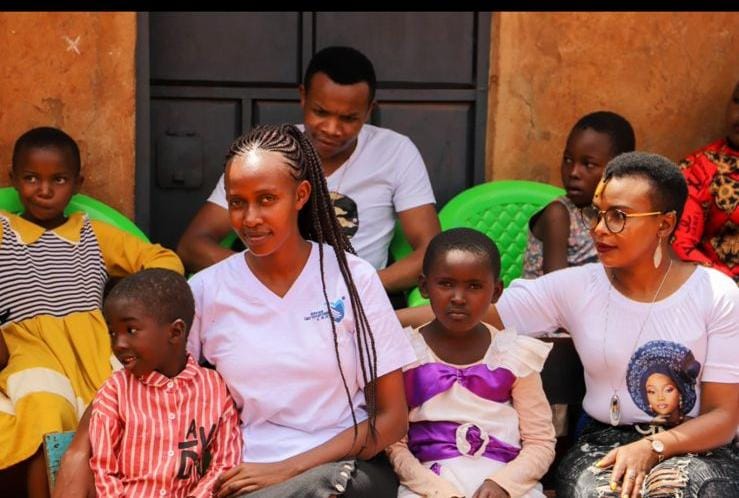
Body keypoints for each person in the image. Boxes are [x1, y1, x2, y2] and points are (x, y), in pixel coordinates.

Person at [53, 124, 416, 498]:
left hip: (344, 467)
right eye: (237, 202)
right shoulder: (207, 290)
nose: (250, 218)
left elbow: (391, 419)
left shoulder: (352, 279)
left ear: (301, 195)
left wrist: (287, 469)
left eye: (267, 199)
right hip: (244, 472)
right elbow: (137, 380)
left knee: (329, 488)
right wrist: (81, 448)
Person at [399, 152, 739, 497]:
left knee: (676, 490)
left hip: (696, 444)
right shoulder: (576, 287)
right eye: (597, 213)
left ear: (664, 225)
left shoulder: (716, 294)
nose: (599, 229)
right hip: (603, 441)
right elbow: (474, 311)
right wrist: (377, 321)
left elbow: (723, 416)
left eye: (618, 217)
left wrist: (653, 448)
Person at [0, 127, 184, 498]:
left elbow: (163, 260)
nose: (44, 190)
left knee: (121, 409)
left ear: (77, 184)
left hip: (94, 348)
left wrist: (134, 306)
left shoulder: (93, 233)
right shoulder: (3, 229)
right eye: (31, 178)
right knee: (45, 413)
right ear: (13, 179)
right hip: (30, 350)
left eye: (59, 179)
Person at [176, 46, 440, 294]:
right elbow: (192, 245)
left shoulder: (395, 152)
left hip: (355, 301)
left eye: (349, 118)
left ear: (369, 110)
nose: (332, 129)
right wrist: (264, 279)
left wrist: (360, 288)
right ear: (303, 97)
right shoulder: (265, 154)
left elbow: (431, 251)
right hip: (267, 296)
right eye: (321, 112)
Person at [386, 228, 556, 498]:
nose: (458, 297)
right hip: (428, 485)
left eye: (474, 286)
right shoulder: (406, 355)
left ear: (496, 291)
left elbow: (540, 441)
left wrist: (503, 484)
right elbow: (394, 444)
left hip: (505, 483)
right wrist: (436, 490)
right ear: (424, 287)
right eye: (446, 284)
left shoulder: (515, 355)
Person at [89, 268, 242, 497]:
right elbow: (102, 469)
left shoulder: (214, 388)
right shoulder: (115, 391)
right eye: (112, 333)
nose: (119, 343)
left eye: (131, 330)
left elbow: (225, 462)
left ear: (175, 332)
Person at [522, 111, 635, 278]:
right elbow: (557, 286)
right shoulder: (559, 215)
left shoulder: (621, 215)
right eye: (568, 160)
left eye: (588, 164)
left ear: (621, 170)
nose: (573, 172)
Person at [672, 80, 739, 283]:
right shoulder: (698, 168)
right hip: (721, 290)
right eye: (737, 101)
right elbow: (679, 245)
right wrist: (729, 286)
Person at [626, 341, 700, 429]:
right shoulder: (643, 428)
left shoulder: (694, 424)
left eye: (668, 390)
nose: (660, 398)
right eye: (652, 392)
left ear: (680, 392)